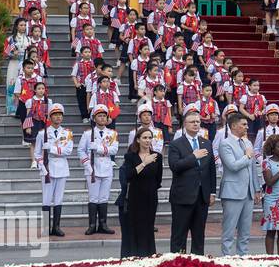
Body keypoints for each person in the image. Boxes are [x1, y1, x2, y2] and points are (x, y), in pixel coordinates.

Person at [167, 110, 217, 253]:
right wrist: (193, 157)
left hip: (202, 196)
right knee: (179, 234)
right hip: (183, 196)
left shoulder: (206, 143)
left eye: (198, 122)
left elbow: (211, 170)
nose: (196, 124)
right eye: (192, 122)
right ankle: (177, 263)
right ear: (184, 124)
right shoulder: (176, 144)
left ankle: (197, 264)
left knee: (199, 234)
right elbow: (175, 166)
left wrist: (212, 192)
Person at [218, 113, 260, 256]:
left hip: (248, 192)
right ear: (234, 126)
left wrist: (257, 188)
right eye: (244, 124)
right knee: (229, 230)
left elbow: (253, 168)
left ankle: (243, 257)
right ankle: (227, 259)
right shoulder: (225, 143)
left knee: (245, 230)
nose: (247, 127)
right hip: (232, 191)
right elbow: (233, 166)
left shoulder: (247, 143)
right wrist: (247, 156)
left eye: (247, 124)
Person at [120, 128, 163, 257]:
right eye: (144, 138)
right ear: (138, 139)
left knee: (148, 228)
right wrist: (144, 163)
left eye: (150, 138)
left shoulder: (157, 156)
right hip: (134, 197)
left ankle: (148, 255)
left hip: (150, 197)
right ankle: (133, 256)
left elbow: (158, 179)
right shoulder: (130, 156)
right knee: (134, 227)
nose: (147, 140)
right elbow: (128, 175)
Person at [34, 103, 74, 237]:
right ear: (50, 117)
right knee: (46, 199)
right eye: (55, 115)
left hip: (62, 168)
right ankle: (46, 228)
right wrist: (41, 166)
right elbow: (37, 153)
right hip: (48, 168)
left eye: (60, 115)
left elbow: (68, 150)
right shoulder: (42, 133)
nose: (58, 117)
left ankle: (56, 227)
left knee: (58, 199)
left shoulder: (67, 133)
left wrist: (51, 149)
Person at [78, 105, 118, 235]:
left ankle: (103, 224)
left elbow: (114, 149)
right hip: (92, 168)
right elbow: (80, 150)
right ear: (94, 118)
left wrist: (99, 148)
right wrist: (87, 164)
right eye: (99, 116)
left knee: (104, 197)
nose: (102, 118)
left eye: (104, 116)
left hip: (106, 167)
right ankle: (92, 225)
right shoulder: (88, 134)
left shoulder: (112, 133)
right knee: (93, 197)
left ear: (107, 118)